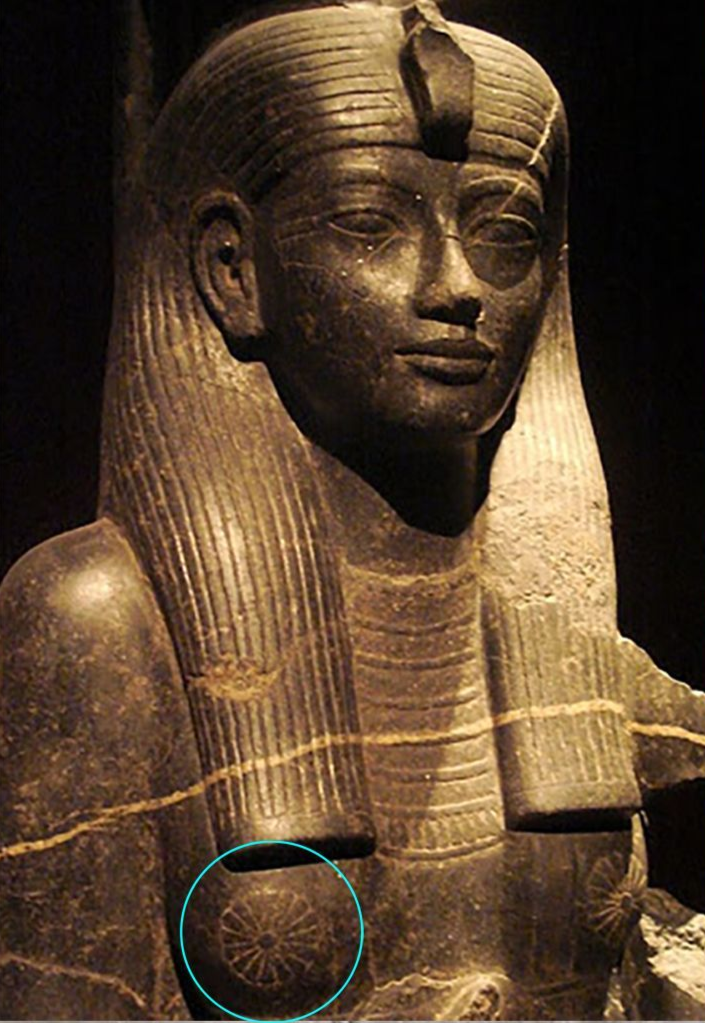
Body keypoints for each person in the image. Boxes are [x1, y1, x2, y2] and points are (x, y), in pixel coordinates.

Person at [1, 2, 703, 1019]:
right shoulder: (96, 622)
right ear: (233, 271)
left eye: (503, 235)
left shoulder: (560, 627)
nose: (457, 286)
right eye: (371, 226)